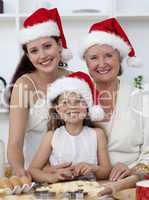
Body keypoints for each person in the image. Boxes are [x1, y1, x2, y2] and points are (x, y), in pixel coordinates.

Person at [79, 17, 149, 183]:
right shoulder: (75, 98)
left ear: (120, 58)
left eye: (108, 55)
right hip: (82, 185)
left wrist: (132, 170)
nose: (101, 64)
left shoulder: (141, 98)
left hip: (129, 184)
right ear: (86, 62)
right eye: (94, 57)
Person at [7, 7, 73, 177]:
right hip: (38, 176)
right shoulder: (24, 85)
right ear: (28, 55)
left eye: (47, 46)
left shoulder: (74, 80)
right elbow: (15, 143)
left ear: (59, 45)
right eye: (34, 50)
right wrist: (19, 171)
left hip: (73, 173)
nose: (42, 55)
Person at [29, 72, 111, 183]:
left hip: (91, 191)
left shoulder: (97, 134)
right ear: (57, 110)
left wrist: (93, 168)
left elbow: (106, 171)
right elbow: (33, 170)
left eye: (78, 101)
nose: (72, 106)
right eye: (65, 102)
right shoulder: (52, 136)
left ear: (87, 107)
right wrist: (52, 177)